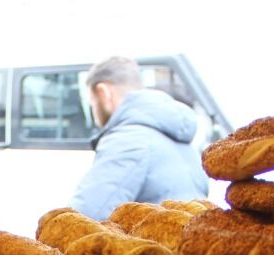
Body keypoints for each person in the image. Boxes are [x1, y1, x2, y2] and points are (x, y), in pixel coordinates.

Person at [68, 56, 210, 221]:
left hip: (161, 245)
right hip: (188, 240)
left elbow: (85, 217)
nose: (94, 113)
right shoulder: (175, 133)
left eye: (92, 103)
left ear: (103, 93)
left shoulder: (127, 140)